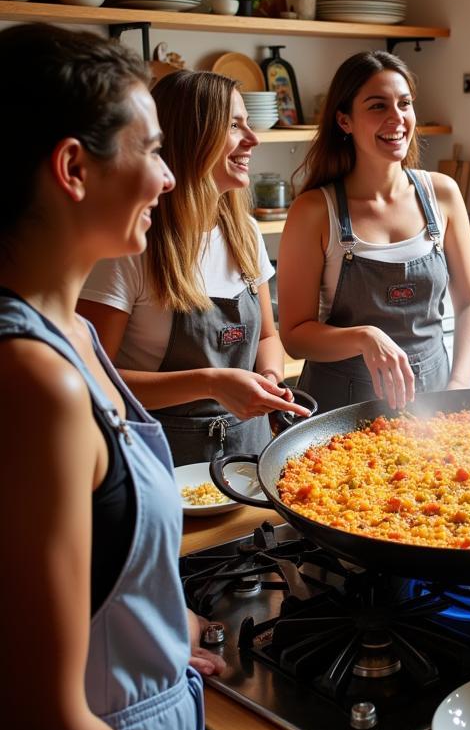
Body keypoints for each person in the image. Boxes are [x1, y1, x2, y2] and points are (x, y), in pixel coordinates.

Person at [0, 24, 224, 730]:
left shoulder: (76, 339)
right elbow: (40, 726)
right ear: (73, 168)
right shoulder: (36, 382)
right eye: (152, 149)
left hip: (148, 715)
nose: (168, 177)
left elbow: (91, 559)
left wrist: (161, 627)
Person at [78, 70, 308, 466]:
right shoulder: (131, 246)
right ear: (193, 137)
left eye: (248, 124)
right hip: (160, 462)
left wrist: (269, 382)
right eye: (234, 126)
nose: (252, 139)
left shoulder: (245, 232)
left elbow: (268, 337)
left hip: (250, 461)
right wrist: (210, 383)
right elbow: (93, 379)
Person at [277, 50, 470, 409]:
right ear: (344, 121)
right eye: (377, 106)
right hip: (340, 407)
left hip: (435, 396)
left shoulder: (443, 194)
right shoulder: (313, 211)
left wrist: (460, 382)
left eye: (404, 104)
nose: (397, 118)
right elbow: (295, 337)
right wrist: (364, 337)